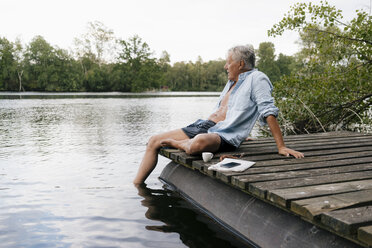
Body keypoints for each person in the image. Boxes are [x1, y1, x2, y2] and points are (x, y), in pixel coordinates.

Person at [133, 44, 304, 185]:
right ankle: (137, 185)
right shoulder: (231, 81)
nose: (225, 66)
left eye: (228, 63)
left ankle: (178, 144)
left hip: (224, 135)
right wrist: (245, 135)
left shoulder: (257, 79)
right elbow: (235, 112)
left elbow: (268, 111)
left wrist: (281, 147)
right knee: (153, 140)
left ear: (241, 64)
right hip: (204, 125)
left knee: (198, 143)